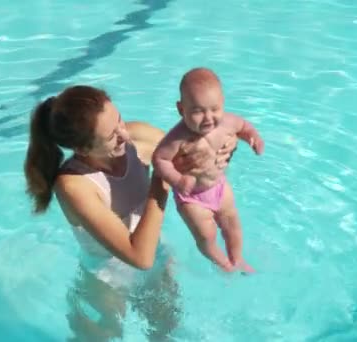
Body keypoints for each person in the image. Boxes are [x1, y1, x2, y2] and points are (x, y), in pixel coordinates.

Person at [23, 85, 238, 341]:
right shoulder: (75, 185)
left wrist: (223, 144)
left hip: (157, 255)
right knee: (107, 337)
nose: (125, 134)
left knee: (165, 332)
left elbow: (199, 155)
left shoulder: (137, 137)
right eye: (112, 136)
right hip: (107, 277)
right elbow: (139, 257)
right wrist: (161, 179)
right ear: (83, 150)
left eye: (120, 121)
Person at [152, 67, 264, 274]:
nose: (208, 118)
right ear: (181, 109)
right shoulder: (177, 137)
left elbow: (244, 127)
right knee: (206, 236)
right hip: (192, 199)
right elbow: (159, 159)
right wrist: (178, 180)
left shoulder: (228, 122)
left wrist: (252, 138)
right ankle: (224, 265)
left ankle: (237, 259)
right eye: (197, 111)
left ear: (223, 104)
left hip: (219, 187)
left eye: (215, 109)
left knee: (232, 224)